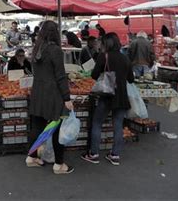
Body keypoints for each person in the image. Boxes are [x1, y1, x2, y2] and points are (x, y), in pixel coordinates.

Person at [27, 20, 74, 174]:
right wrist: (67, 98)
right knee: (57, 127)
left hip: (38, 92)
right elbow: (60, 76)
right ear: (56, 33)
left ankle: (32, 157)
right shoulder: (55, 50)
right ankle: (59, 164)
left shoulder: (37, 48)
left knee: (38, 127)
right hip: (53, 94)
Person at [81, 33, 134, 166]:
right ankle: (115, 155)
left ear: (106, 44)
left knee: (97, 122)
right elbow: (131, 79)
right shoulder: (125, 58)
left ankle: (94, 154)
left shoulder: (103, 56)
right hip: (121, 96)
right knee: (118, 125)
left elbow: (94, 75)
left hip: (107, 95)